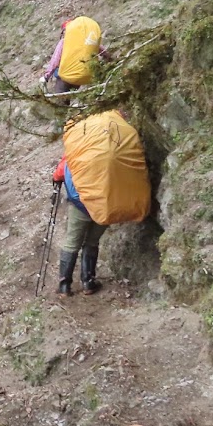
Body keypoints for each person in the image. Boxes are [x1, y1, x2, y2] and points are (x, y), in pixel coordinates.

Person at [52, 110, 150, 296]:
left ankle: (64, 285)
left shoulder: (81, 148)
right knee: (92, 241)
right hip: (109, 202)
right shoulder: (119, 141)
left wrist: (56, 179)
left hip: (80, 204)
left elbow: (60, 171)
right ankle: (88, 282)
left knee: (72, 241)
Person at [41, 16, 105, 95]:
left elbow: (55, 60)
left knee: (61, 101)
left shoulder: (64, 42)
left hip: (64, 77)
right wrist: (111, 60)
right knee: (72, 96)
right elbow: (101, 50)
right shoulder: (86, 41)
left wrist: (46, 76)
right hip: (80, 77)